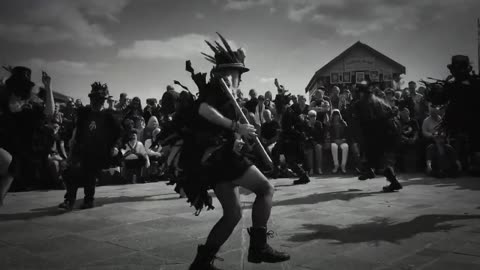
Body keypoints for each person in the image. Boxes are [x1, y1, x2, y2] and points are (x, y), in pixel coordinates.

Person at [182, 34, 289, 269]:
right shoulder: (216, 88)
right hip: (220, 158)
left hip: (218, 158)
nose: (239, 77)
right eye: (237, 72)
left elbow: (213, 122)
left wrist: (237, 136)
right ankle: (259, 247)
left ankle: (201, 264)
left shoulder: (225, 91)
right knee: (266, 188)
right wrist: (235, 126)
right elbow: (204, 110)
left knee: (232, 215)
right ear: (228, 71)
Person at [58, 82, 121, 210]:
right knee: (70, 172)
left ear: (103, 101)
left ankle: (88, 200)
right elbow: (76, 130)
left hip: (99, 151)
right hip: (81, 148)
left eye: (98, 100)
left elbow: (119, 134)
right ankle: (69, 200)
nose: (95, 102)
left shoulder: (109, 116)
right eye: (93, 99)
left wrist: (116, 146)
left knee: (89, 175)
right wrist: (72, 146)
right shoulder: (84, 112)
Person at [0, 67, 54, 204]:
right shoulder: (2, 104)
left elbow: (49, 112)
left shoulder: (30, 109)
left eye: (22, 86)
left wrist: (48, 87)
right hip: (4, 149)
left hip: (19, 156)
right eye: (16, 85)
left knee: (12, 166)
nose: (18, 90)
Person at [353, 81, 402, 192]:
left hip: (380, 136)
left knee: (380, 160)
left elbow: (368, 122)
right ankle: (369, 170)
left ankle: (392, 182)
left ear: (361, 93)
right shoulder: (378, 101)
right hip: (387, 135)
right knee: (377, 158)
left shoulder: (362, 104)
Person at [304, 110, 324, 175]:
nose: (313, 118)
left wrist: (312, 128)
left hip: (317, 141)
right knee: (309, 150)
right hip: (309, 142)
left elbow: (319, 135)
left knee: (318, 148)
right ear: (309, 117)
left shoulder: (319, 124)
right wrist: (310, 127)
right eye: (311, 116)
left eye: (314, 116)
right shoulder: (306, 124)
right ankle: (311, 169)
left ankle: (319, 168)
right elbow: (306, 135)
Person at [329, 109, 349, 174]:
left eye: (337, 114)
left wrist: (343, 139)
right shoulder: (330, 124)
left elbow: (347, 134)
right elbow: (329, 135)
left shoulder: (344, 123)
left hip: (342, 141)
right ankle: (336, 165)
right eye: (334, 115)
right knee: (334, 146)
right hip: (334, 141)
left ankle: (343, 166)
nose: (336, 116)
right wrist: (334, 140)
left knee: (345, 146)